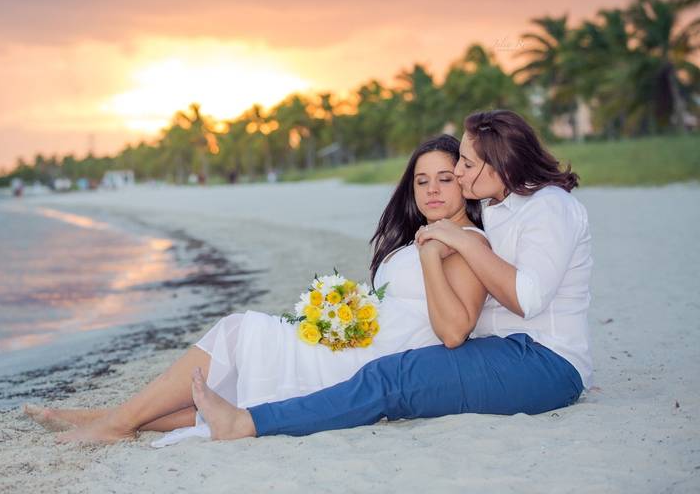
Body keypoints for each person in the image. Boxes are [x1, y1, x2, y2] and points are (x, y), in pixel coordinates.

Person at [23, 134, 491, 444]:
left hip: (377, 362)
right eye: (421, 180)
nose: (431, 190)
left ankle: (118, 420)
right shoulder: (425, 235)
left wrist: (433, 252)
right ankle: (113, 417)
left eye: (445, 179)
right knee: (243, 380)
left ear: (466, 182)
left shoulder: (468, 243)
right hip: (358, 342)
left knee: (239, 331)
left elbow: (453, 332)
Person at [190, 109, 591, 440]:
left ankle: (246, 423)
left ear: (499, 163)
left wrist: (459, 241)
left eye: (467, 165)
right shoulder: (498, 208)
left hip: (542, 360)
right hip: (500, 351)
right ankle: (226, 415)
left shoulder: (548, 206)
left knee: (390, 378)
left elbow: (530, 296)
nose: (461, 174)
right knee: (378, 372)